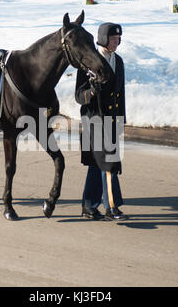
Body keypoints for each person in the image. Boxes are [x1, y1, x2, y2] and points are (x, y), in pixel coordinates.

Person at [75, 22, 127, 221]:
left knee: (97, 165)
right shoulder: (88, 62)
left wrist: (121, 120)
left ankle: (88, 206)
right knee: (108, 165)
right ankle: (111, 207)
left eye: (119, 38)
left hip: (112, 121)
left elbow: (121, 94)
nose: (117, 42)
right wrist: (92, 92)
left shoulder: (119, 61)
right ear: (104, 39)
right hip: (94, 120)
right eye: (114, 39)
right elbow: (79, 95)